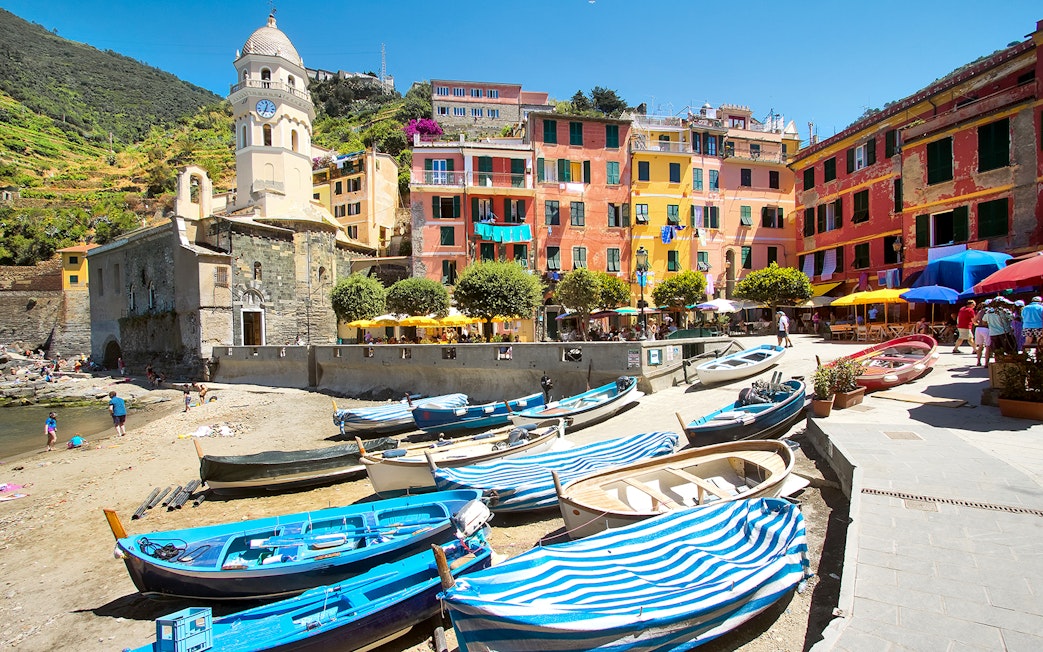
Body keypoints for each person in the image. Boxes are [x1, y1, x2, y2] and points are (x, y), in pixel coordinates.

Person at [973, 301, 991, 366]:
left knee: (980, 346)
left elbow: (974, 320)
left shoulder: (980, 311)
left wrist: (978, 323)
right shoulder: (989, 311)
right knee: (988, 346)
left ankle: (978, 361)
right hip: (986, 328)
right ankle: (986, 363)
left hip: (978, 329)